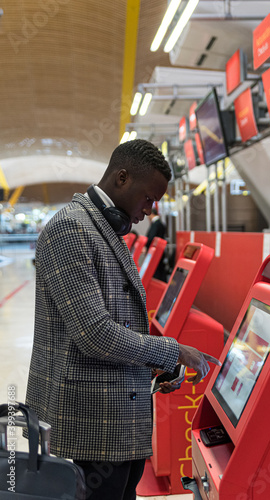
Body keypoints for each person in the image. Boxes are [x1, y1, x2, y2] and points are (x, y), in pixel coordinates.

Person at [25, 139, 220, 500]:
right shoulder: (72, 229)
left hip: (116, 419)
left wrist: (153, 366)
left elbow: (119, 320)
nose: (151, 209)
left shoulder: (103, 230)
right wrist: (172, 352)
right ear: (122, 178)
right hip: (90, 425)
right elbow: (94, 333)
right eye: (148, 198)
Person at [145, 206, 167, 281]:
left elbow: (151, 237)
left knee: (157, 272)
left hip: (155, 252)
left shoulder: (155, 224)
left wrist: (146, 246)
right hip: (160, 251)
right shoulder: (161, 223)